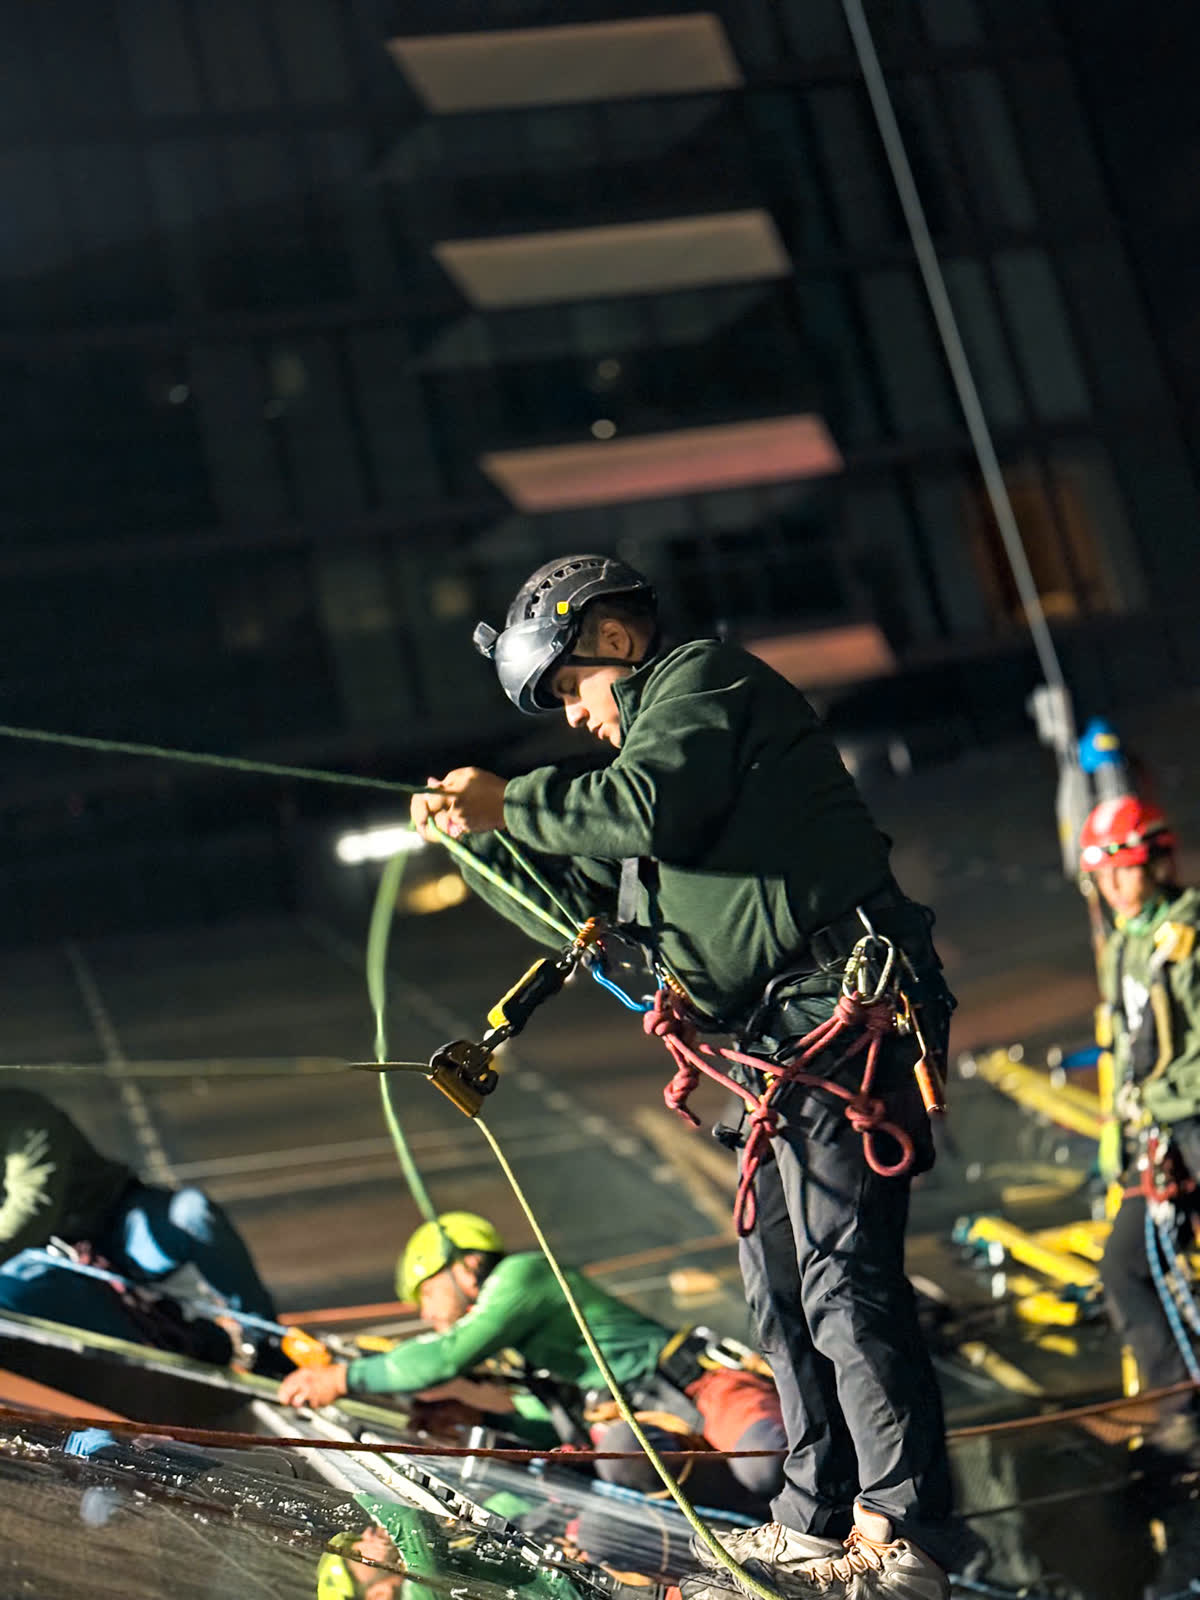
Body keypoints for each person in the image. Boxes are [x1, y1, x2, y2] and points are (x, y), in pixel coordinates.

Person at [403, 555, 960, 1600]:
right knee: (784, 1286)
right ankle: (814, 1517)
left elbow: (643, 805)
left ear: (613, 640)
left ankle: (904, 1540)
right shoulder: (653, 764)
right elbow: (588, 909)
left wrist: (510, 799)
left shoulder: (703, 683)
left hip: (843, 1018)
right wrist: (479, 839)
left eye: (571, 689)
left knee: (845, 1279)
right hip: (781, 1048)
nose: (572, 716)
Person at [279, 1210, 787, 1513]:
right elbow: (553, 1423)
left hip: (704, 1389)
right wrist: (484, 1418)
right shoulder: (525, 1344)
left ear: (467, 1267)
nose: (429, 1315)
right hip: (651, 1419)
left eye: (428, 1295)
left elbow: (443, 1357)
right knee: (630, 1458)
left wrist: (343, 1376)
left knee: (771, 1465)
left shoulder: (523, 1278)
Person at [1081, 796, 1200, 1459]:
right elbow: (1126, 1044)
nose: (1117, 887)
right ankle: (1180, 1412)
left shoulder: (1192, 934)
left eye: (1126, 871)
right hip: (1156, 1130)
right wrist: (1120, 1142)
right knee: (1125, 1265)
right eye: (1105, 875)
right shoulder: (1124, 945)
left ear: (1157, 863)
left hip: (1193, 1116)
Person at [0, 1085, 279, 1363]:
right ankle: (172, 1360)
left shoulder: (23, 1114)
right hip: (41, 1265)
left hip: (119, 1229)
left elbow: (32, 1208)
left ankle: (267, 1343)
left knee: (192, 1212)